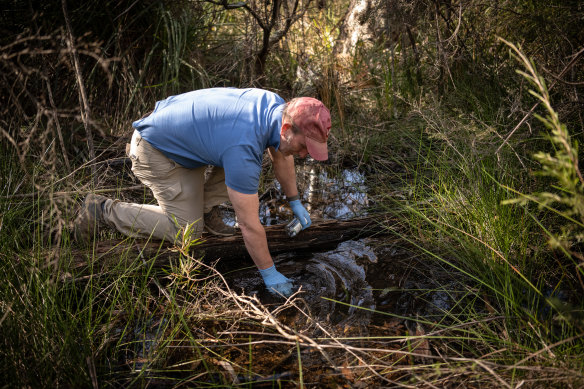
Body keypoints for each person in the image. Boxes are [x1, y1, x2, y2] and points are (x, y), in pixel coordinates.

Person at [74, 87, 332, 297]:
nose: (303, 155)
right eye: (304, 147)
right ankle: (102, 210)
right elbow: (249, 225)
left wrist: (295, 201)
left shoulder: (275, 107)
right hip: (156, 151)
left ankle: (206, 211)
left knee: (245, 163)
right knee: (187, 232)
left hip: (188, 144)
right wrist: (269, 272)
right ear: (287, 129)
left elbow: (280, 153)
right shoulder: (244, 144)